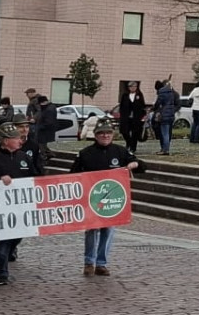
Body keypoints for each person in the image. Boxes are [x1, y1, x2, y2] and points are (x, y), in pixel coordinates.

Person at [74, 119, 145, 274]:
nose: (105, 136)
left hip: (112, 199)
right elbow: (73, 175)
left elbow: (141, 165)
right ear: (96, 135)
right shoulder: (85, 153)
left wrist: (135, 164)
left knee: (108, 230)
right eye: (101, 133)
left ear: (112, 135)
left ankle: (101, 263)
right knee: (92, 230)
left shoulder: (120, 152)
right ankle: (89, 262)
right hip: (91, 198)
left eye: (108, 133)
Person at [0, 122, 41, 285]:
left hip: (21, 207)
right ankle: (2, 272)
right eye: (16, 138)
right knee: (4, 238)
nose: (20, 140)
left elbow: (35, 176)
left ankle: (1, 259)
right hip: (0, 207)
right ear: (5, 140)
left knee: (17, 237)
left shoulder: (24, 157)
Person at [117, 82, 148, 153]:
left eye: (135, 86)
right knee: (125, 132)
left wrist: (143, 115)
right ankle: (129, 143)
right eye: (131, 86)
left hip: (136, 118)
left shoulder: (139, 95)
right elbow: (121, 106)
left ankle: (133, 147)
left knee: (135, 133)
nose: (133, 88)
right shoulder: (125, 95)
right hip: (126, 117)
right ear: (128, 87)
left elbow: (142, 106)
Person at [153, 80, 180, 153]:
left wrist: (155, 109)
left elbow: (158, 104)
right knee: (165, 133)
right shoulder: (172, 93)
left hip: (164, 114)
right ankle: (164, 148)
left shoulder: (166, 93)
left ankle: (165, 149)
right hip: (169, 115)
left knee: (165, 133)